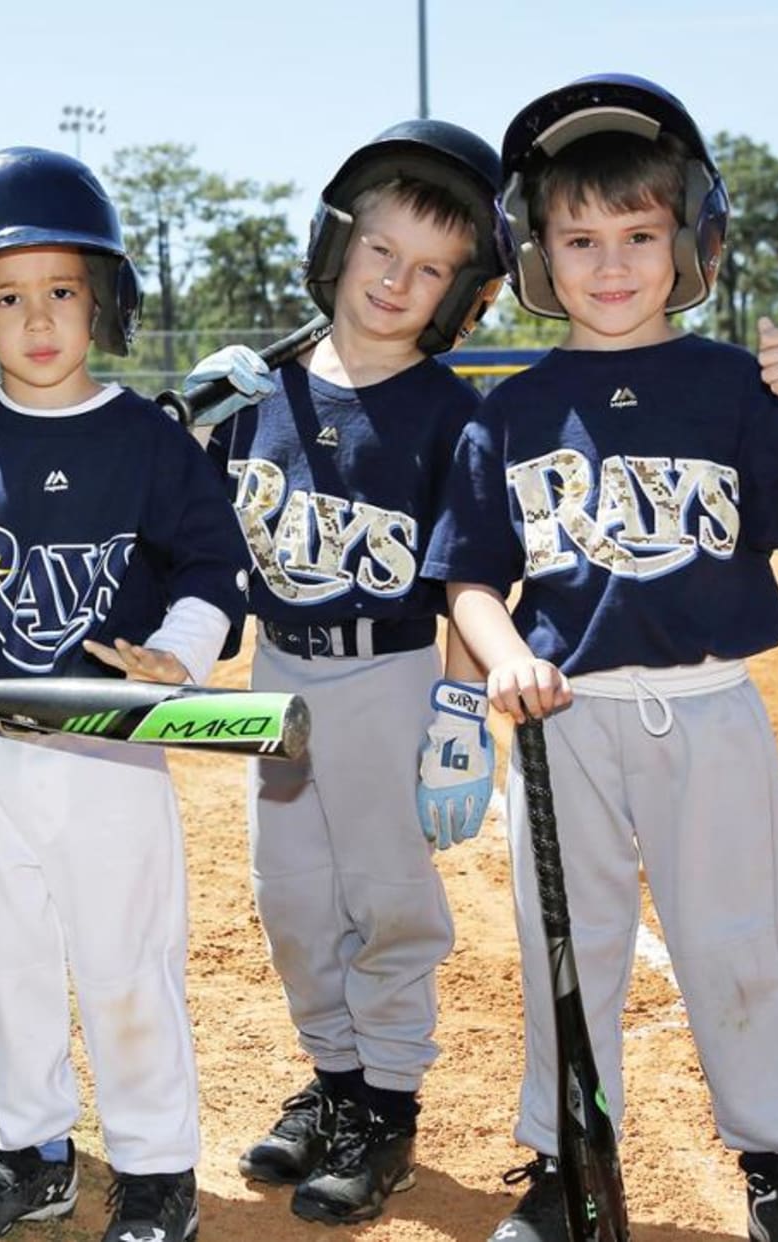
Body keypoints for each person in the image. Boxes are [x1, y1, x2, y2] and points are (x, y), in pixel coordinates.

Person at [421, 76, 778, 1242]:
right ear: (536, 254)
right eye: (579, 239)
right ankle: (568, 1157)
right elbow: (469, 577)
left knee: (738, 937)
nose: (611, 265)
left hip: (712, 709)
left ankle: (777, 1157)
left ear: (689, 242)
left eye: (639, 235)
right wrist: (503, 655)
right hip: (564, 717)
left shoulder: (730, 387)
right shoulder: (505, 412)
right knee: (570, 951)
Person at [0, 146, 247, 1242]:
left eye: (60, 291)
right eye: (7, 297)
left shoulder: (150, 443)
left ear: (101, 299)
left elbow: (215, 565)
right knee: (7, 961)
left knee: (125, 963)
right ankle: (31, 1152)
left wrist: (179, 649)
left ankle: (158, 1171)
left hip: (112, 748)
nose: (36, 319)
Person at [177, 119, 506, 1226]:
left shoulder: (454, 416)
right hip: (281, 676)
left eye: (429, 271)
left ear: (459, 299)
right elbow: (202, 546)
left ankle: (387, 1107)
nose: (396, 282)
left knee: (389, 898)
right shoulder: (259, 392)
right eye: (381, 253)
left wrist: (461, 707)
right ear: (337, 248)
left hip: (393, 675)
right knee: (293, 900)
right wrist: (187, 427)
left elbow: (471, 570)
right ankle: (331, 1083)